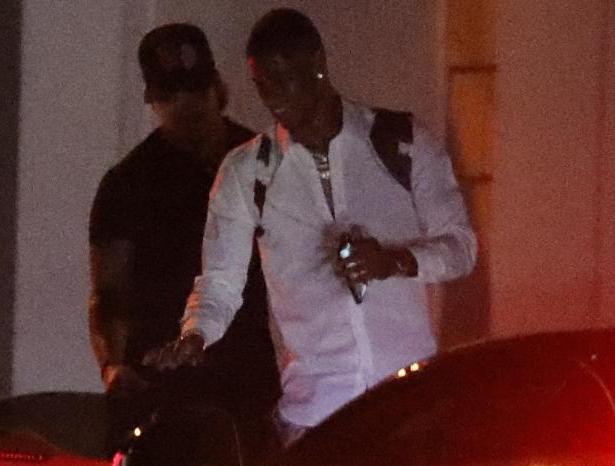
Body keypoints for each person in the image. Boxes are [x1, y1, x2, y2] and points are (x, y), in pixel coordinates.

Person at [147, 9, 477, 448]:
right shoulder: (247, 172)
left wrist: (396, 261)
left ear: (317, 63)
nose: (274, 100)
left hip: (409, 406)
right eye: (262, 85)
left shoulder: (402, 142)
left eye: (284, 80)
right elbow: (219, 284)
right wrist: (196, 334)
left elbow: (461, 248)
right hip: (316, 415)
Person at [88, 23, 278, 458]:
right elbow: (109, 291)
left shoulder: (262, 161)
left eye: (196, 91)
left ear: (217, 88)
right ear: (153, 101)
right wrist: (113, 365)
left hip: (251, 384)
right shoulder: (128, 183)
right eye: (172, 96)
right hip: (163, 393)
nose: (187, 106)